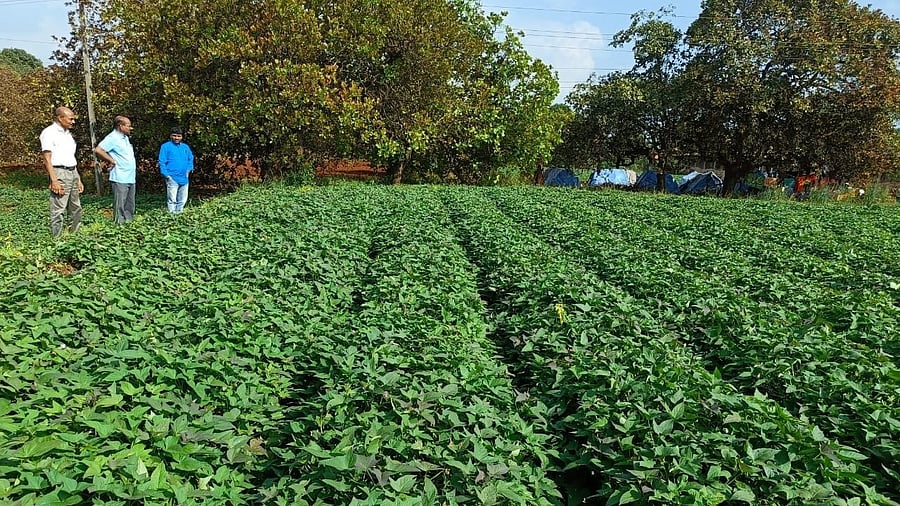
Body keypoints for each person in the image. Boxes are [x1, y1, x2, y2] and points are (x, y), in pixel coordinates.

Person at [40, 106, 83, 238]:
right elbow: (47, 159)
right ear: (60, 118)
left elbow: (70, 157)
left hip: (72, 171)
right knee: (58, 209)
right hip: (59, 172)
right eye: (70, 119)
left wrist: (78, 178)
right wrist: (54, 181)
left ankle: (74, 236)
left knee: (76, 207)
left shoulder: (67, 134)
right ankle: (56, 240)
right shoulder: (49, 133)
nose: (73, 122)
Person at [94, 116, 136, 223]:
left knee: (130, 204)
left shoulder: (125, 138)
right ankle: (119, 226)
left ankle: (129, 224)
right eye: (128, 126)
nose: (130, 128)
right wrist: (111, 160)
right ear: (120, 126)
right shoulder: (112, 138)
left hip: (130, 176)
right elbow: (98, 150)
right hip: (120, 176)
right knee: (120, 204)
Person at [158, 127, 194, 214]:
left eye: (179, 136)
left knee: (183, 199)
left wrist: (189, 170)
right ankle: (172, 216)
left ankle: (179, 215)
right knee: (172, 199)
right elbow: (162, 161)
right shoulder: (165, 146)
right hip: (172, 177)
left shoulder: (185, 147)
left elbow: (190, 158)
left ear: (181, 137)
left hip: (184, 178)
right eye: (174, 136)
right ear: (170, 136)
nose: (176, 138)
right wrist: (166, 175)